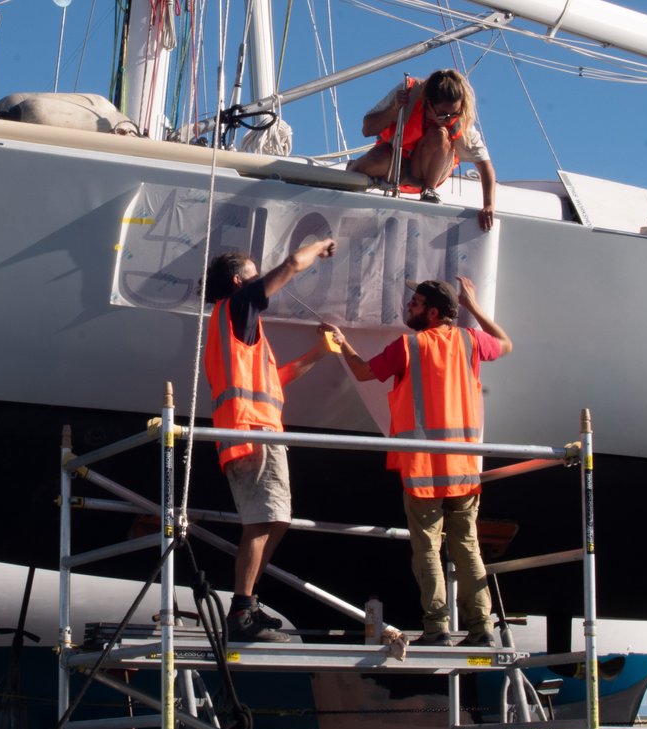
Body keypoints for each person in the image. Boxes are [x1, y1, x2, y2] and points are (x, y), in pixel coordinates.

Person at [325, 277, 514, 646]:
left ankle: (437, 629)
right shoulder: (469, 340)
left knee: (427, 549)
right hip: (464, 468)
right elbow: (506, 344)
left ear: (432, 311)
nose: (408, 308)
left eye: (414, 303)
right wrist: (474, 307)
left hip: (424, 471)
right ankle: (482, 631)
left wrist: (341, 343)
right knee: (468, 547)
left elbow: (364, 372)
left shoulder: (409, 345)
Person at [203, 234, 338, 644]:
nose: (261, 281)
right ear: (240, 283)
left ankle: (247, 605)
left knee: (273, 520)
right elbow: (292, 267)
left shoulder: (240, 332)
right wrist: (318, 246)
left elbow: (274, 383)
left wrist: (320, 352)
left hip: (252, 432)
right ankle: (242, 612)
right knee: (263, 522)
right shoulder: (237, 308)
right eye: (254, 275)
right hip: (252, 433)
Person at [348, 69, 497, 231]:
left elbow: (485, 166)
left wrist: (488, 205)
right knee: (377, 158)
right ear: (428, 103)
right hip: (395, 166)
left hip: (424, 173)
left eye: (454, 113)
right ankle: (349, 177)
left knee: (439, 134)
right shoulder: (408, 93)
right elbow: (367, 129)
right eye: (442, 114)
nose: (448, 119)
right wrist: (394, 110)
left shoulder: (460, 122)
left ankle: (429, 191)